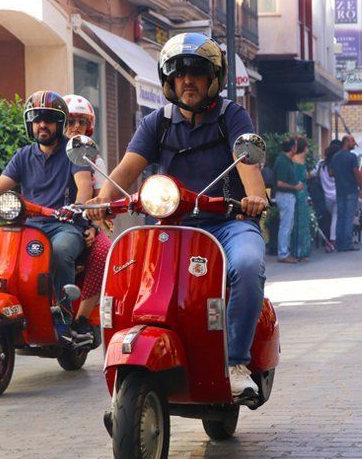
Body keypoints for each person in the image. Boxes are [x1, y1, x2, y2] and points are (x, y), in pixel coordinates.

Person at [86, 33, 268, 400]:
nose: (188, 81)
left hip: (228, 223)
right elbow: (126, 168)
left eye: (197, 73)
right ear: (168, 81)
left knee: (248, 265)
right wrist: (102, 200)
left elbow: (247, 163)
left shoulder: (231, 115)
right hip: (172, 224)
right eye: (179, 74)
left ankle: (234, 362)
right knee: (129, 273)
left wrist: (254, 198)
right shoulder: (158, 122)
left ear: (213, 79)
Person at [0, 91, 93, 339]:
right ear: (29, 124)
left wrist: (77, 205)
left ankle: (64, 319)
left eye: (48, 118)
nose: (42, 124)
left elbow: (84, 183)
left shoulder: (73, 152)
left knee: (60, 251)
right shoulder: (23, 155)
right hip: (28, 227)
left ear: (60, 123)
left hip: (63, 226)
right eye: (36, 119)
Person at [63, 94, 109, 344]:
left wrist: (90, 224)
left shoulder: (94, 158)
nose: (76, 127)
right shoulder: (49, 152)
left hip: (85, 224)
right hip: (49, 224)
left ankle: (81, 319)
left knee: (104, 252)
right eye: (70, 121)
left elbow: (101, 199)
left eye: (82, 122)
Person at [330, 134, 362, 251]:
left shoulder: (335, 157)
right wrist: (361, 187)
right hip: (351, 190)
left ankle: (339, 243)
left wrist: (340, 174)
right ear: (346, 142)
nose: (354, 143)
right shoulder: (352, 157)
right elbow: (356, 172)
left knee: (340, 217)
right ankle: (347, 244)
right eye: (352, 141)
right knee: (349, 218)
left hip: (340, 191)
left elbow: (330, 173)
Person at [272, 136, 300, 264]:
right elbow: (280, 183)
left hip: (287, 196)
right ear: (293, 147)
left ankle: (284, 252)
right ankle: (283, 254)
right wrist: (295, 186)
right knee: (286, 226)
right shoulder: (283, 161)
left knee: (287, 225)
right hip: (285, 196)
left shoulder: (286, 160)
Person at [318, 140, 342, 251]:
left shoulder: (320, 164)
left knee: (330, 218)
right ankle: (332, 240)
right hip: (337, 195)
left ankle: (329, 239)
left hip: (326, 197)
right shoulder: (337, 165)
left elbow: (311, 174)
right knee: (336, 217)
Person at [291, 136, 312, 262]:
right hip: (301, 190)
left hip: (298, 191)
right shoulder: (300, 159)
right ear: (304, 147)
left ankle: (297, 251)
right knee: (302, 221)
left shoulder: (293, 159)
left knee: (297, 221)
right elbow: (303, 175)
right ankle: (302, 251)